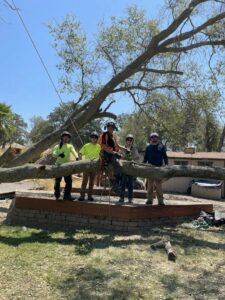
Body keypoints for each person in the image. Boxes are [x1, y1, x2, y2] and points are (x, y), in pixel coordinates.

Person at [99, 122, 124, 194]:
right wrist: (114, 153)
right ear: (107, 128)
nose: (111, 129)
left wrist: (123, 149)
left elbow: (117, 146)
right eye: (110, 127)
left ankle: (116, 184)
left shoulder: (113, 136)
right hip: (106, 154)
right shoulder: (104, 135)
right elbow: (103, 146)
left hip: (112, 153)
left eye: (112, 128)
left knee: (119, 165)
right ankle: (115, 185)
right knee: (116, 164)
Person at [52, 131, 78, 201]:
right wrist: (59, 154)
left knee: (69, 182)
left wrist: (77, 157)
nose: (66, 138)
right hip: (58, 166)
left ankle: (67, 196)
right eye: (64, 137)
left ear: (69, 139)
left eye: (67, 137)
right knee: (57, 181)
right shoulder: (57, 146)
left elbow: (74, 152)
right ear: (62, 137)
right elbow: (53, 154)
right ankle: (57, 195)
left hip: (67, 166)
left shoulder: (70, 146)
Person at [144, 132, 168, 205]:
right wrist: (142, 164)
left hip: (159, 169)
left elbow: (165, 157)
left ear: (158, 139)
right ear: (150, 139)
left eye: (155, 137)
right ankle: (149, 200)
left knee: (158, 186)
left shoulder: (161, 147)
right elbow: (145, 158)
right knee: (150, 186)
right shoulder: (148, 147)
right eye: (152, 137)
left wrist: (167, 165)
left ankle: (160, 201)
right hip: (150, 168)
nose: (154, 139)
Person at [78, 131, 101, 201]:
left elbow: (101, 155)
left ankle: (89, 196)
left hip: (94, 167)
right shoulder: (86, 145)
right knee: (84, 181)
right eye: (92, 137)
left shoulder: (99, 146)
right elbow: (80, 153)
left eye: (95, 137)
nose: (94, 138)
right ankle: (82, 196)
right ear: (90, 138)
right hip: (86, 166)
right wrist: (81, 162)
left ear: (97, 138)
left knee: (91, 182)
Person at [118, 134, 139, 204]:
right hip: (124, 169)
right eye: (128, 139)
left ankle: (130, 198)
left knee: (130, 184)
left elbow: (137, 158)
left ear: (132, 141)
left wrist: (132, 159)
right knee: (123, 183)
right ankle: (121, 197)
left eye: (131, 140)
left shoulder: (134, 149)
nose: (129, 141)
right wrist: (122, 158)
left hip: (131, 169)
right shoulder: (122, 148)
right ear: (126, 141)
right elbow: (119, 157)